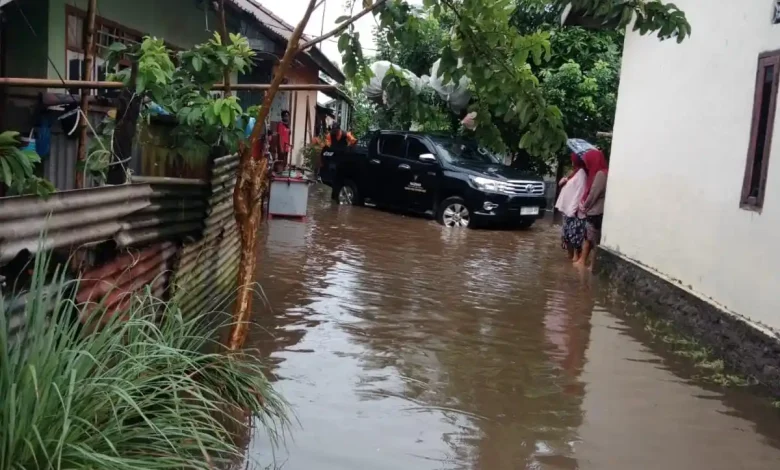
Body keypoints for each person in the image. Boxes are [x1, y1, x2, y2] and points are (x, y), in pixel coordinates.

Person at [574, 149, 609, 268]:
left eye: (588, 161)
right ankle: (583, 262)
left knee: (592, 240)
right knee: (589, 238)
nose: (587, 164)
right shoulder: (601, 173)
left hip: (596, 211)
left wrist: (584, 206)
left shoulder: (600, 174)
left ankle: (590, 266)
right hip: (596, 210)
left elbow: (594, 193)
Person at [555, 153, 587, 261]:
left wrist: (572, 210)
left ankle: (575, 259)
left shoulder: (581, 174)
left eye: (573, 159)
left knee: (574, 237)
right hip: (568, 210)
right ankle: (571, 259)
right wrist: (563, 182)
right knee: (567, 236)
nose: (571, 161)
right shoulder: (574, 172)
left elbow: (579, 193)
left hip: (573, 212)